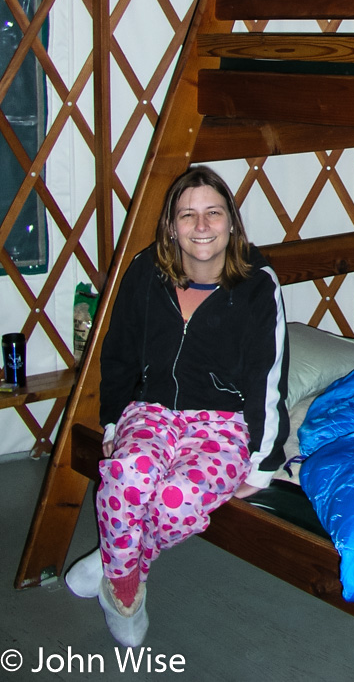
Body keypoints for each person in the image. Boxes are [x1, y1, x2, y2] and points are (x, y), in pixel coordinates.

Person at [64, 165, 289, 646]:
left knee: (177, 500)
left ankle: (116, 560)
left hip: (220, 424)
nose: (202, 226)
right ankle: (125, 596)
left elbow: (268, 376)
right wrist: (111, 424)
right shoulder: (146, 271)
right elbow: (119, 352)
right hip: (151, 410)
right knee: (128, 473)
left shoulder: (257, 284)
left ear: (232, 221)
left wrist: (262, 465)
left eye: (213, 212)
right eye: (188, 215)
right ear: (171, 226)